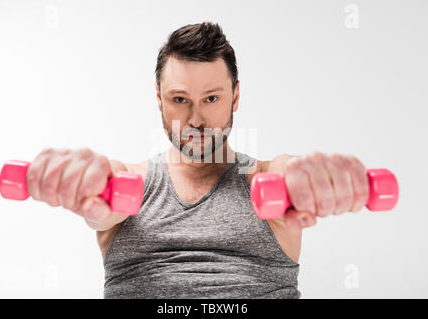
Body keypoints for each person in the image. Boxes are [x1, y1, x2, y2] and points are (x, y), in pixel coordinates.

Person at [26, 22, 369, 298]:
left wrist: (311, 176)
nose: (196, 120)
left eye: (211, 98)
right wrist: (86, 181)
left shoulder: (266, 180)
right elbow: (106, 192)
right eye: (180, 99)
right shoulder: (128, 181)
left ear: (235, 97)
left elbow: (287, 171)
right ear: (159, 100)